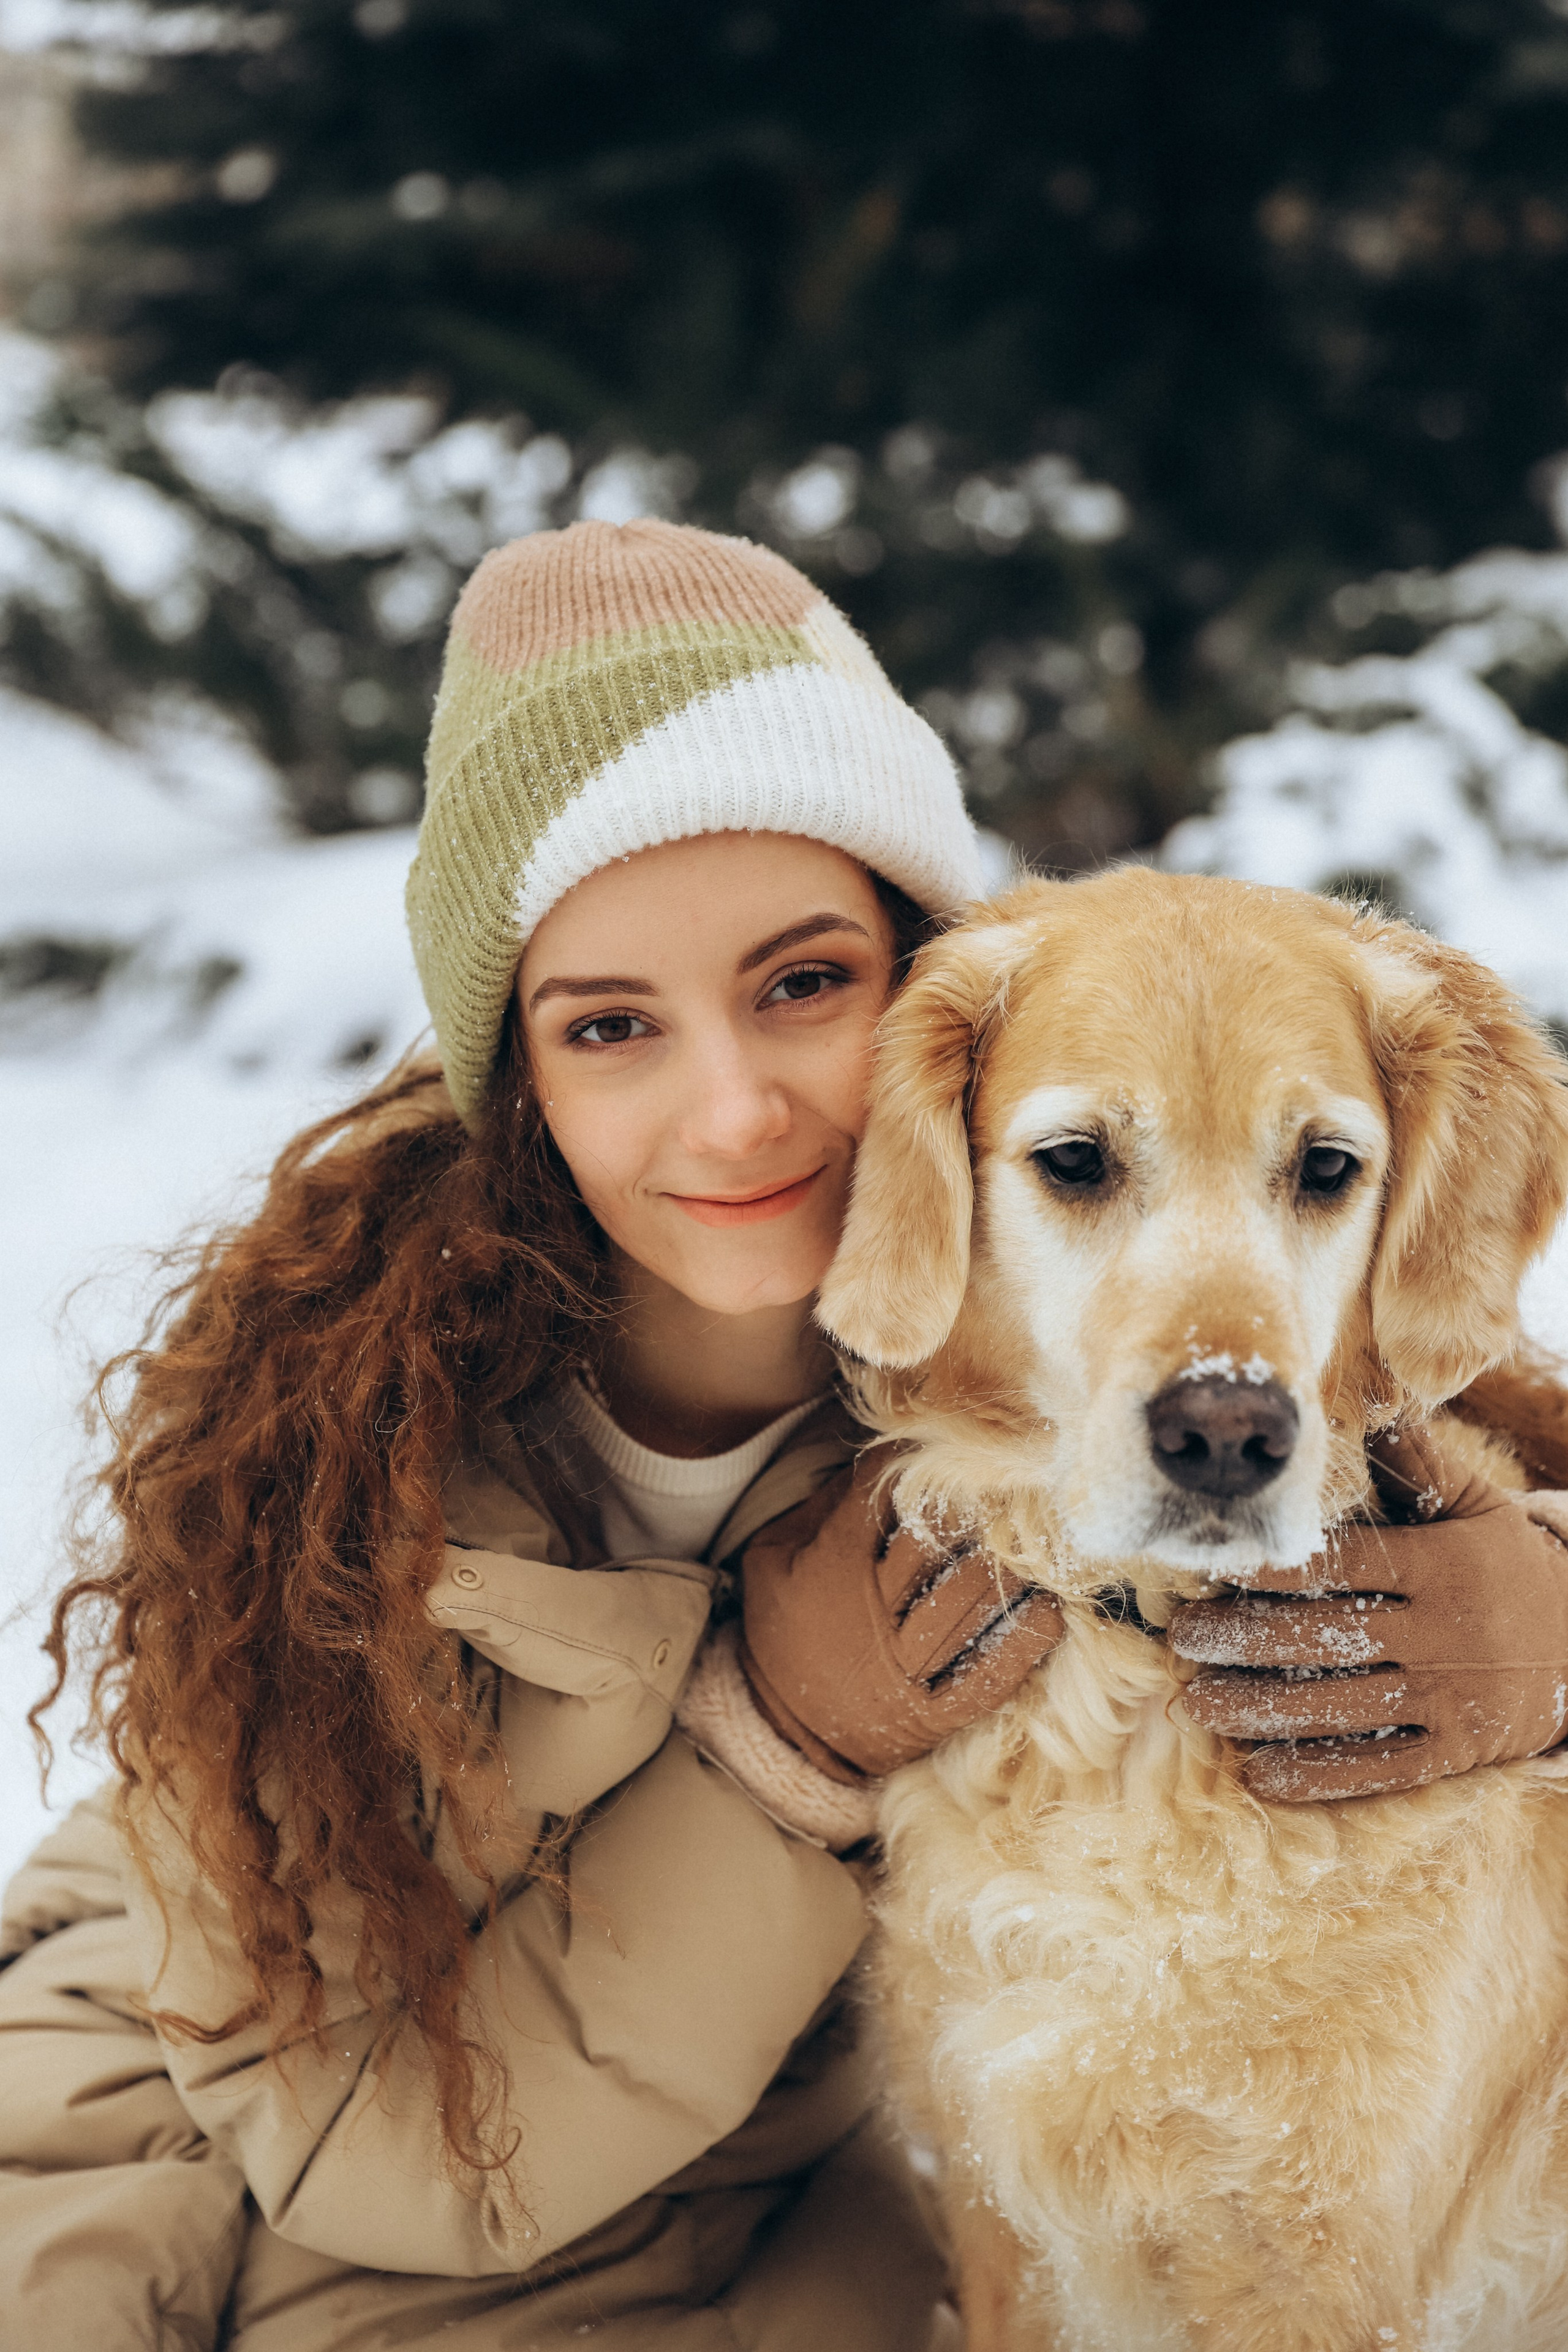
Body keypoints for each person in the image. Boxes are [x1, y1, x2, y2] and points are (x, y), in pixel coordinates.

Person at [2, 521, 1567, 2352]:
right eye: (609, 1027)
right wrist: (782, 1748)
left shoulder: (1033, 1347)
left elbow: (1444, 1375)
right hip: (247, 2122)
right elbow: (383, 2154)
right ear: (519, 1083)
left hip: (748, 2168)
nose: (736, 1111)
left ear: (931, 1004)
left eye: (805, 983)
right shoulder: (333, 1448)